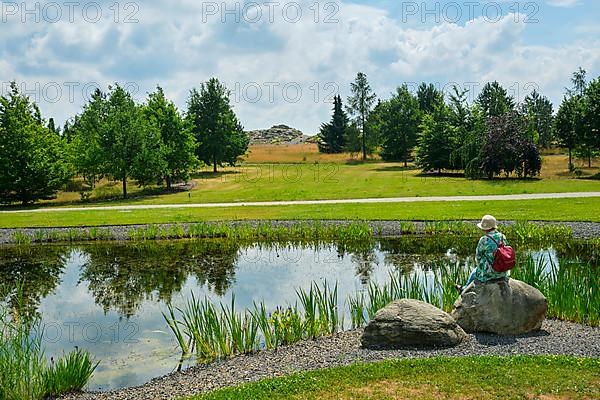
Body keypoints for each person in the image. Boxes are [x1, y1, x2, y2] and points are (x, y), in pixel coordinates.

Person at [455, 215, 509, 293]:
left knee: (474, 272)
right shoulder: (502, 237)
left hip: (490, 273)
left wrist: (480, 267)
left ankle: (464, 289)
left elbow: (478, 257)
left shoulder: (484, 239)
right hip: (503, 271)